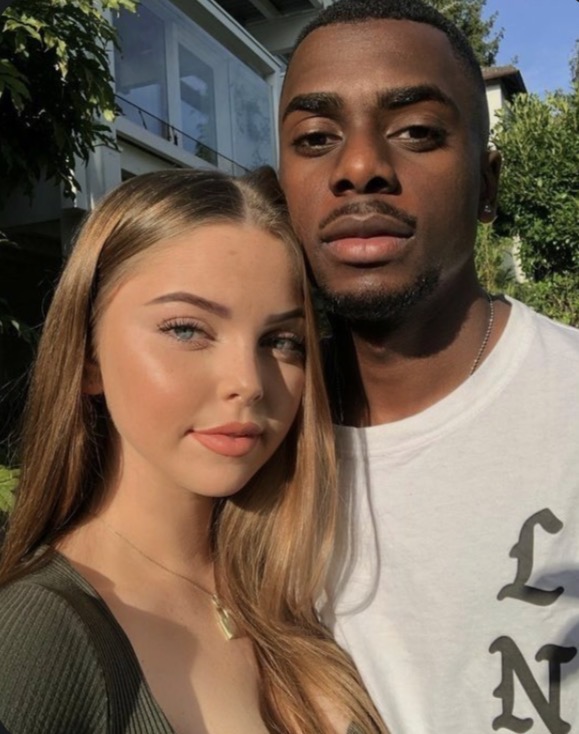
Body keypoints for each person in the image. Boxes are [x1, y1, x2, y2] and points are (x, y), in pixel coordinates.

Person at [278, 1, 579, 732]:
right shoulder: (248, 437)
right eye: (315, 138)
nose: (359, 168)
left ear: (487, 184)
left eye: (416, 131)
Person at [0, 169, 386, 734]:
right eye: (186, 330)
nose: (248, 383)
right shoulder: (38, 636)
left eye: (281, 341)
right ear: (87, 358)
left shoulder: (305, 583)